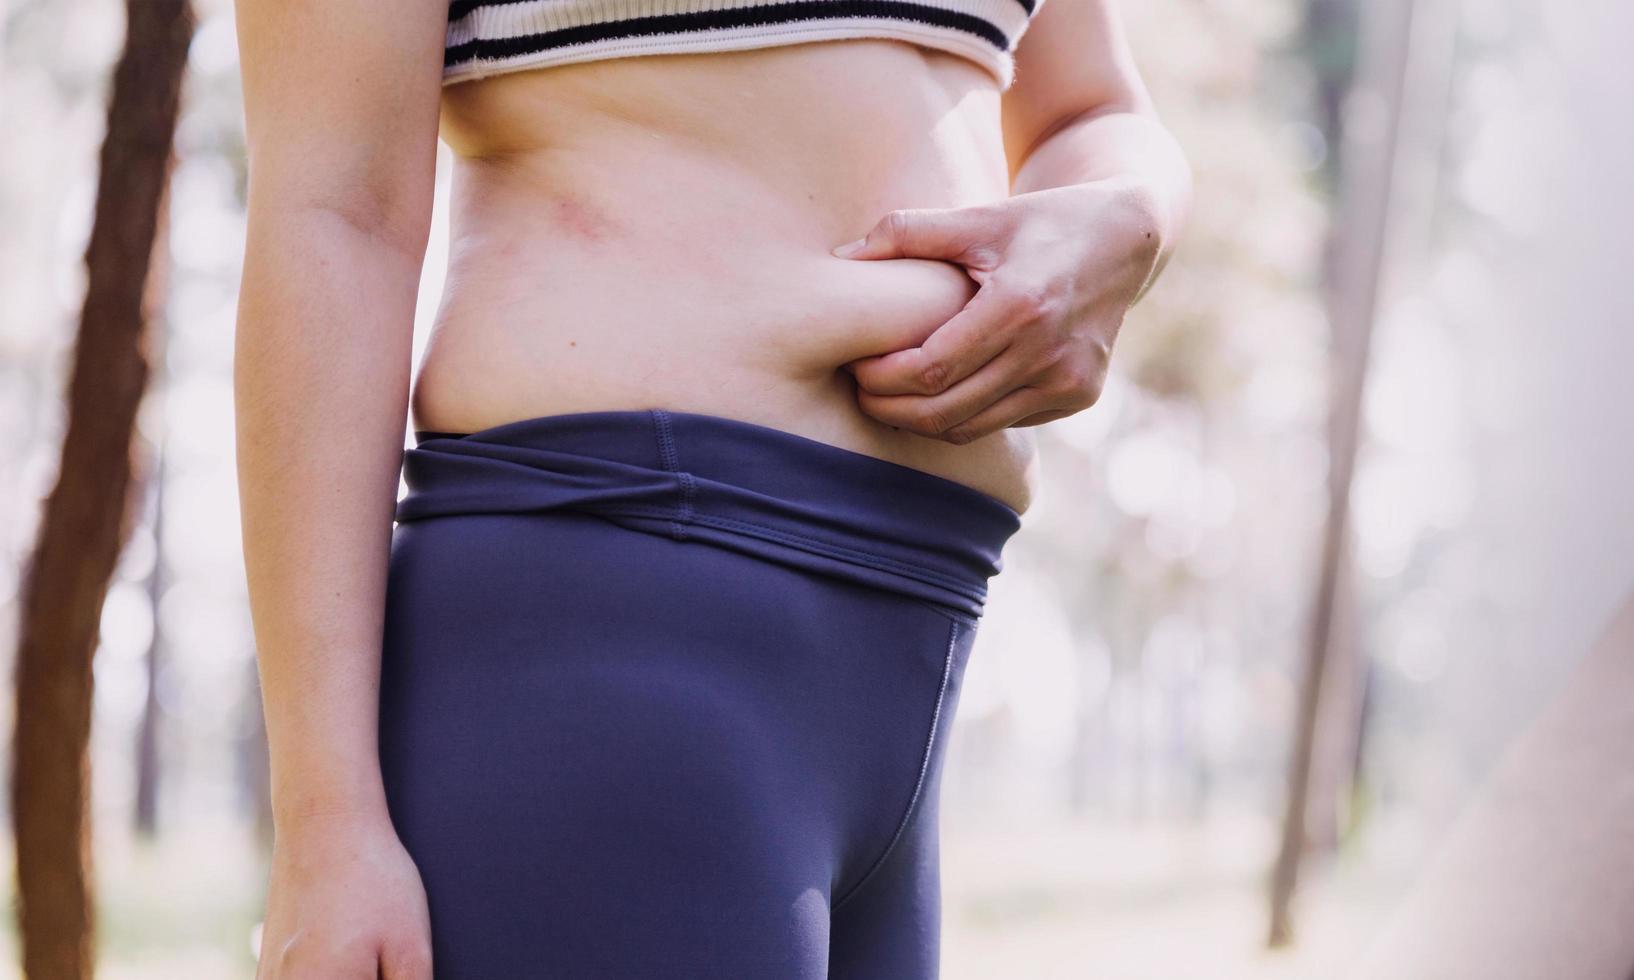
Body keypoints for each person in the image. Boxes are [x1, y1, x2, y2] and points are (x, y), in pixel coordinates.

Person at [231, 0, 1190, 973]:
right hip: (610, 606)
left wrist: (1129, 217)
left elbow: (1090, 107)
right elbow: (334, 210)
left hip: (922, 628)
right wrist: (323, 816)